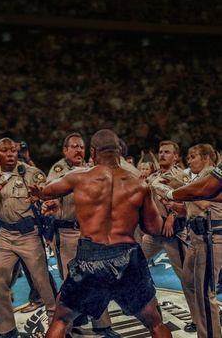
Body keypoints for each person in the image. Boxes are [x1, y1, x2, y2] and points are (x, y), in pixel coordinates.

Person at [30, 129, 172, 338]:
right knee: (155, 322)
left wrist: (42, 197)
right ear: (119, 152)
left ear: (93, 152)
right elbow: (154, 229)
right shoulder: (139, 185)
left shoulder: (79, 178)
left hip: (90, 257)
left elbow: (45, 191)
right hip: (127, 258)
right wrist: (169, 213)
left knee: (61, 319)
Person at [47, 132, 119, 338]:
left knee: (98, 277)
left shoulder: (90, 168)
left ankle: (103, 325)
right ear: (65, 150)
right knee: (72, 282)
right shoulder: (58, 170)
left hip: (89, 232)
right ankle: (67, 327)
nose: (79, 150)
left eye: (82, 147)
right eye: (74, 146)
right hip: (67, 232)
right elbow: (51, 192)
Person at [0, 137, 56, 338]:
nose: (10, 155)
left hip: (29, 235)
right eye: (5, 151)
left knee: (43, 284)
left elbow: (50, 196)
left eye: (14, 151)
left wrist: (41, 196)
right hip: (4, 236)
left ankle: (57, 326)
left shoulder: (32, 173)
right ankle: (6, 331)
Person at [165, 144, 222, 336]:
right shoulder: (197, 179)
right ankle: (202, 322)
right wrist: (175, 206)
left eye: (193, 156)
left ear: (206, 157)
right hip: (195, 237)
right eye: (188, 157)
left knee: (205, 292)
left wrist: (178, 189)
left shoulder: (211, 175)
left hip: (211, 236)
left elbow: (205, 201)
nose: (189, 161)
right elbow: (190, 210)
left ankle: (210, 331)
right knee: (189, 281)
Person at [142, 140, 188, 281]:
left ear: (175, 157)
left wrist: (172, 216)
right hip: (153, 234)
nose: (162, 155)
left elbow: (188, 202)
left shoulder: (181, 177)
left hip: (173, 234)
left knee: (185, 277)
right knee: (138, 266)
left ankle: (198, 303)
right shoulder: (153, 177)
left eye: (167, 152)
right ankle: (147, 300)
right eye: (161, 152)